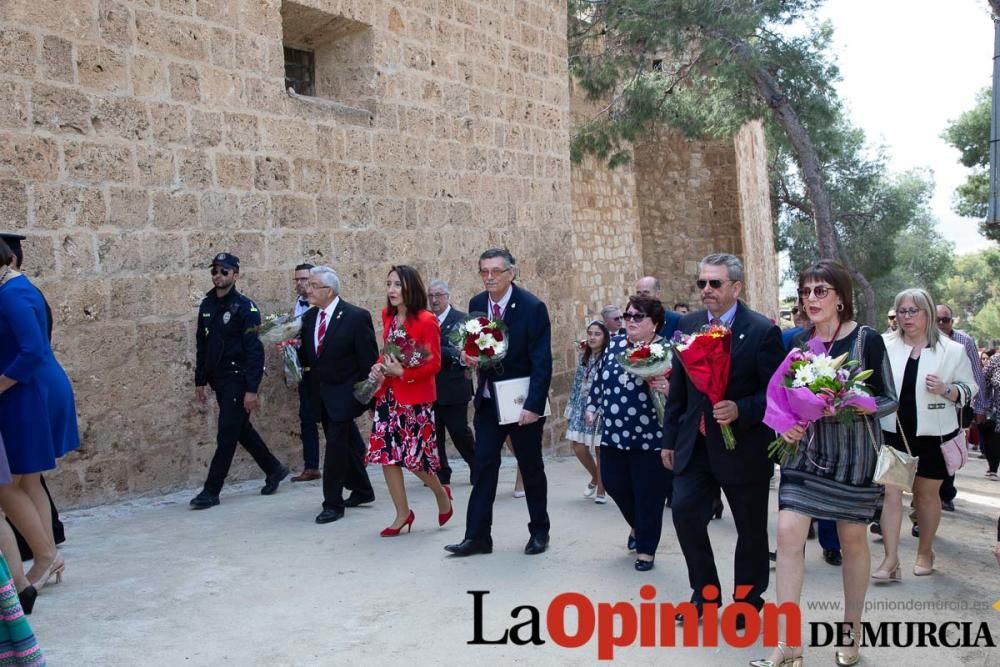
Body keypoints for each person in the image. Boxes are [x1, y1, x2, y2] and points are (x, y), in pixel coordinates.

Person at [754, 261, 898, 667]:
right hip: (806, 456)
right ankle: (788, 643)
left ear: (840, 296)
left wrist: (847, 401)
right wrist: (785, 428)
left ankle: (850, 636)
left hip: (853, 459)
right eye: (806, 291)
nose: (811, 299)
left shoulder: (867, 340)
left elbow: (890, 398)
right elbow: (781, 397)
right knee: (787, 534)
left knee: (853, 542)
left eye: (821, 290)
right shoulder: (798, 342)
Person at [661, 253, 784, 626]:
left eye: (715, 283)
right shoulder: (689, 323)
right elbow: (680, 391)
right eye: (702, 283)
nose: (707, 291)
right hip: (694, 444)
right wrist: (669, 439)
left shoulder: (762, 331)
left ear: (736, 287)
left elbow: (777, 394)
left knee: (750, 529)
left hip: (743, 447)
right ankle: (705, 594)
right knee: (684, 513)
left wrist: (741, 409)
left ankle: (747, 601)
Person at [445, 249, 552, 557]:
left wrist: (533, 405)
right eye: (484, 272)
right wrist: (470, 356)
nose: (489, 277)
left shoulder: (532, 307)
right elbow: (477, 346)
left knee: (530, 467)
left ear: (511, 273)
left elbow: (541, 361)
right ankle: (477, 537)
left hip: (521, 403)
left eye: (495, 271)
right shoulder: (478, 304)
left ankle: (539, 532)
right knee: (484, 467)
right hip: (490, 401)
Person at [875, 288, 977, 579]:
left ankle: (924, 550)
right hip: (894, 431)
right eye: (902, 311)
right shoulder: (884, 345)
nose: (906, 317)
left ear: (928, 313)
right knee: (891, 493)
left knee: (925, 496)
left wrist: (947, 389)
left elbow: (970, 388)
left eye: (913, 311)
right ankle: (891, 560)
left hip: (935, 433)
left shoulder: (952, 350)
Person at [0, 238, 76, 593]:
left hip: (25, 390)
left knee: (13, 483)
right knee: (28, 480)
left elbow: (30, 351)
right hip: (32, 387)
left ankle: (45, 557)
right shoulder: (21, 287)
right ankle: (48, 557)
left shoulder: (11, 295)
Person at [189, 253, 289, 509]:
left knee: (227, 433)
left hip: (236, 378)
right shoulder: (207, 305)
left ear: (235, 275)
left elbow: (255, 351)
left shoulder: (246, 308)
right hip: (217, 379)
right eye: (215, 271)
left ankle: (211, 491)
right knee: (239, 428)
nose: (218, 276)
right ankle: (274, 468)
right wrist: (200, 379)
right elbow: (202, 343)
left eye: (224, 271)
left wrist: (251, 389)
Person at [366, 266, 452, 536]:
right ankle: (403, 513)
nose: (391, 290)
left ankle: (441, 493)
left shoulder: (426, 320)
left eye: (397, 285)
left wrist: (404, 373)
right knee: (387, 456)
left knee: (414, 459)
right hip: (389, 397)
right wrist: (378, 367)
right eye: (388, 284)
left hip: (415, 399)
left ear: (410, 288)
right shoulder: (388, 315)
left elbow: (435, 363)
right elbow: (389, 352)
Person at [587, 298, 671, 570]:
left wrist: (667, 388)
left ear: (654, 322)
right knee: (613, 483)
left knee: (649, 493)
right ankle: (638, 525)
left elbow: (683, 391)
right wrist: (592, 406)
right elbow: (601, 380)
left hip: (650, 437)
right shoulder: (615, 346)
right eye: (628, 315)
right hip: (613, 433)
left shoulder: (665, 349)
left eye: (638, 316)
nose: (631, 320)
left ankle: (646, 549)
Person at [298, 266, 377, 524]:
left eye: (312, 285)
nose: (307, 289)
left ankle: (332, 503)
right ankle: (363, 490)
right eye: (307, 285)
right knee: (346, 443)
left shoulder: (356, 317)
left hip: (346, 394)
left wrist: (371, 399)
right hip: (320, 395)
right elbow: (310, 358)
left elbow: (368, 359)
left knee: (334, 448)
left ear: (328, 290)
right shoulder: (309, 318)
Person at [934, 304, 986, 511]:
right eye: (936, 319)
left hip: (956, 406)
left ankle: (946, 493)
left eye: (944, 320)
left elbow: (977, 376)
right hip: (926, 406)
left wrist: (980, 406)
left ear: (951, 322)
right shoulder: (921, 339)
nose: (940, 324)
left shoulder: (965, 342)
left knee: (949, 447)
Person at [427, 279, 476, 485]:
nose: (434, 300)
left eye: (438, 295)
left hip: (454, 386)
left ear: (447, 296)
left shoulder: (462, 320)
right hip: (430, 386)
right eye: (431, 296)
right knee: (433, 433)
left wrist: (433, 349)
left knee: (459, 431)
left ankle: (477, 465)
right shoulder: (425, 319)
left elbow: (463, 351)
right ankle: (441, 472)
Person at [566, 320, 609, 503]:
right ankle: (596, 476)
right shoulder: (584, 355)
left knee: (599, 448)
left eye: (597, 334)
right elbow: (577, 382)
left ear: (604, 337)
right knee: (578, 446)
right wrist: (572, 406)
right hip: (582, 404)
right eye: (590, 333)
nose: (592, 337)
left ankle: (601, 489)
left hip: (601, 405)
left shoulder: (608, 356)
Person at [289, 263, 323, 483]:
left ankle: (359, 453)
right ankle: (311, 466)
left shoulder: (321, 305)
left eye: (304, 279)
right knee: (306, 418)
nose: (300, 283)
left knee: (335, 416)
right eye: (297, 280)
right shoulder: (298, 305)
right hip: (306, 370)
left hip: (323, 370)